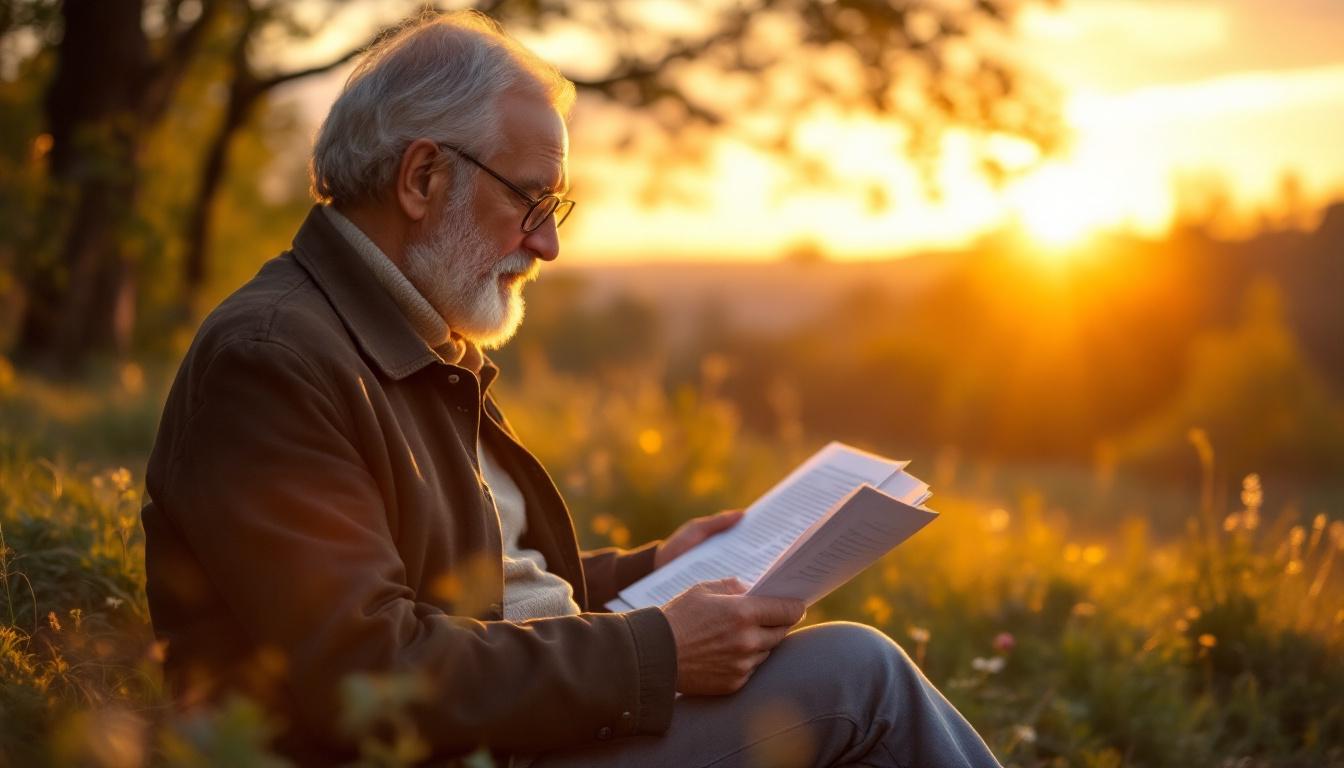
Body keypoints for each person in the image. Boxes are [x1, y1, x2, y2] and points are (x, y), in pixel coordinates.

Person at [141, 11, 1003, 767]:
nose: (546, 245)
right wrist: (654, 652)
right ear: (422, 178)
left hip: (517, 732)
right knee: (859, 678)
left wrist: (651, 571)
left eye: (557, 207)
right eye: (530, 198)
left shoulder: (409, 338)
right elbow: (367, 673)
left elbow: (469, 590)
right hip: (460, 755)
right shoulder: (274, 360)